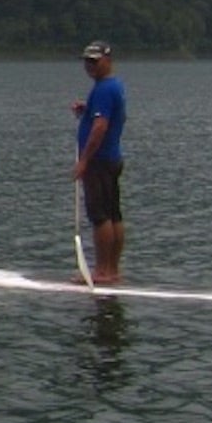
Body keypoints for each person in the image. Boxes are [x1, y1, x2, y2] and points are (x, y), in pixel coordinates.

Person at [71, 40, 126, 283]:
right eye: (87, 62)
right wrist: (88, 109)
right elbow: (113, 116)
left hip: (99, 161)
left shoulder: (104, 89)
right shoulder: (113, 86)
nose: (90, 66)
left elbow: (100, 127)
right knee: (113, 215)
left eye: (95, 61)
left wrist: (84, 161)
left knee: (100, 216)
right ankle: (112, 270)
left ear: (107, 61)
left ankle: (102, 272)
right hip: (111, 158)